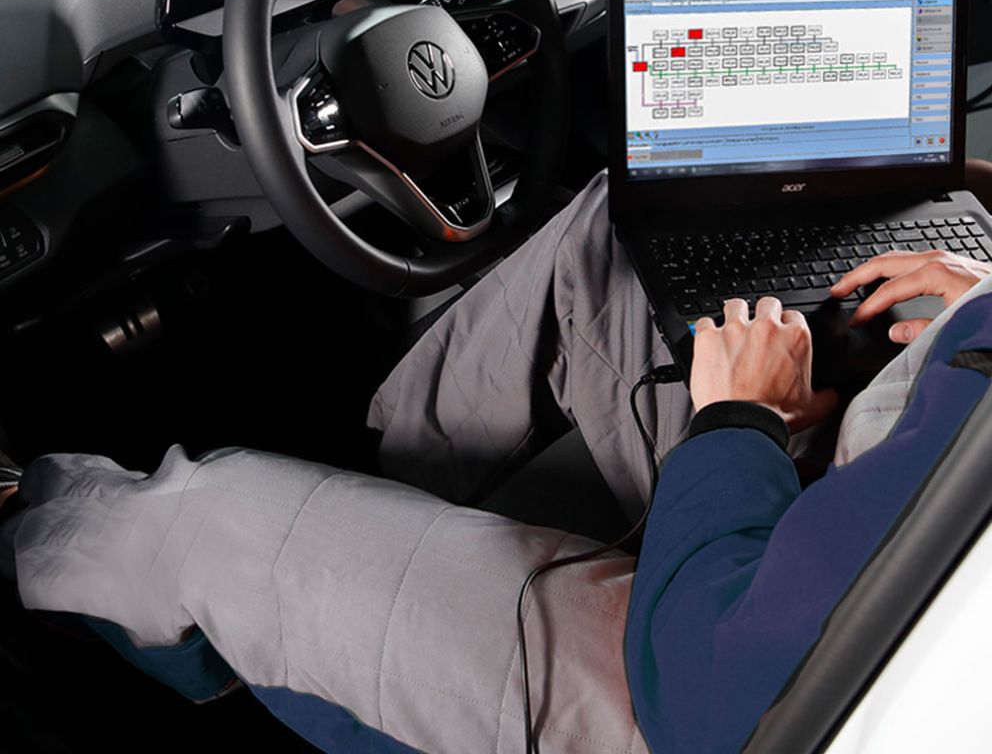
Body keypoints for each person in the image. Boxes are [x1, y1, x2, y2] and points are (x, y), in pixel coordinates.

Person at [2, 169, 992, 754]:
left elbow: (704, 684)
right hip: (867, 493)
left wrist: (739, 419)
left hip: (696, 689)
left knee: (193, 519)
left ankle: (19, 518)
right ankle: (393, 486)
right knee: (617, 218)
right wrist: (971, 304)